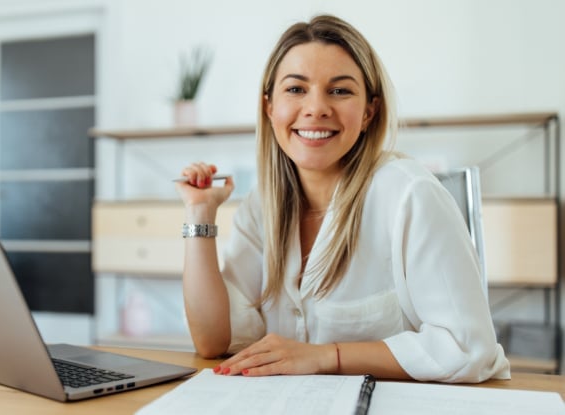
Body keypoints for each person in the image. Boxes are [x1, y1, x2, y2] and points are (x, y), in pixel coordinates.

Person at [174, 14, 510, 383]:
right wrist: (200, 213)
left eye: (339, 90)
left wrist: (324, 357)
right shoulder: (261, 207)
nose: (316, 108)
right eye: (296, 89)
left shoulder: (411, 195)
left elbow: (469, 348)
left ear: (369, 111)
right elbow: (212, 341)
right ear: (270, 107)